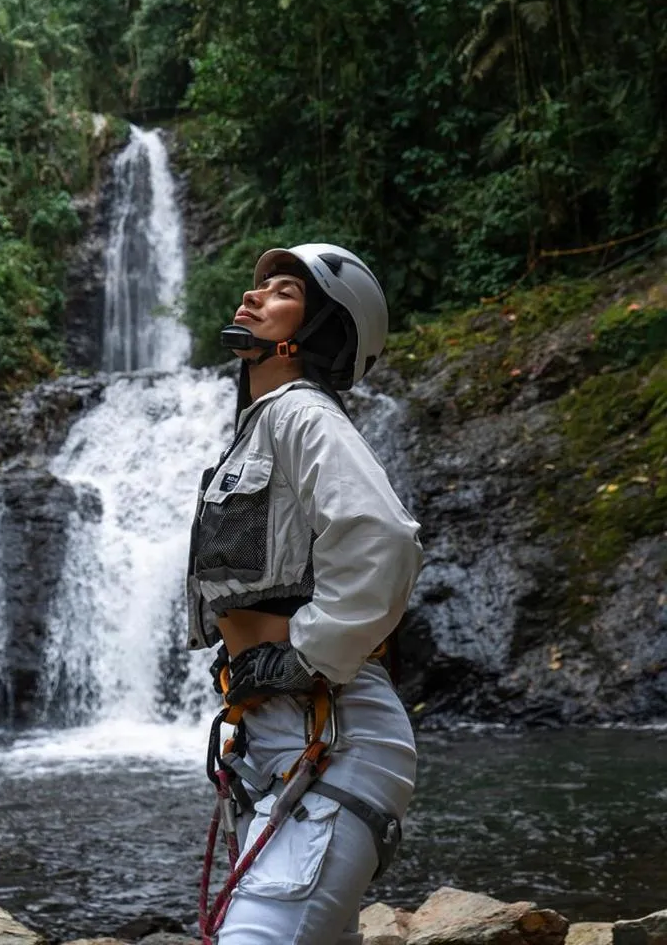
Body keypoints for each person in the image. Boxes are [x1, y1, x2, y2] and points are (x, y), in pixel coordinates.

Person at [185, 243, 423, 945]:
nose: (254, 296)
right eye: (258, 286)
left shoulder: (302, 415)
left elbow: (384, 537)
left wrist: (304, 653)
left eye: (283, 291)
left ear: (319, 331)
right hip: (288, 743)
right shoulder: (262, 426)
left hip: (334, 735)